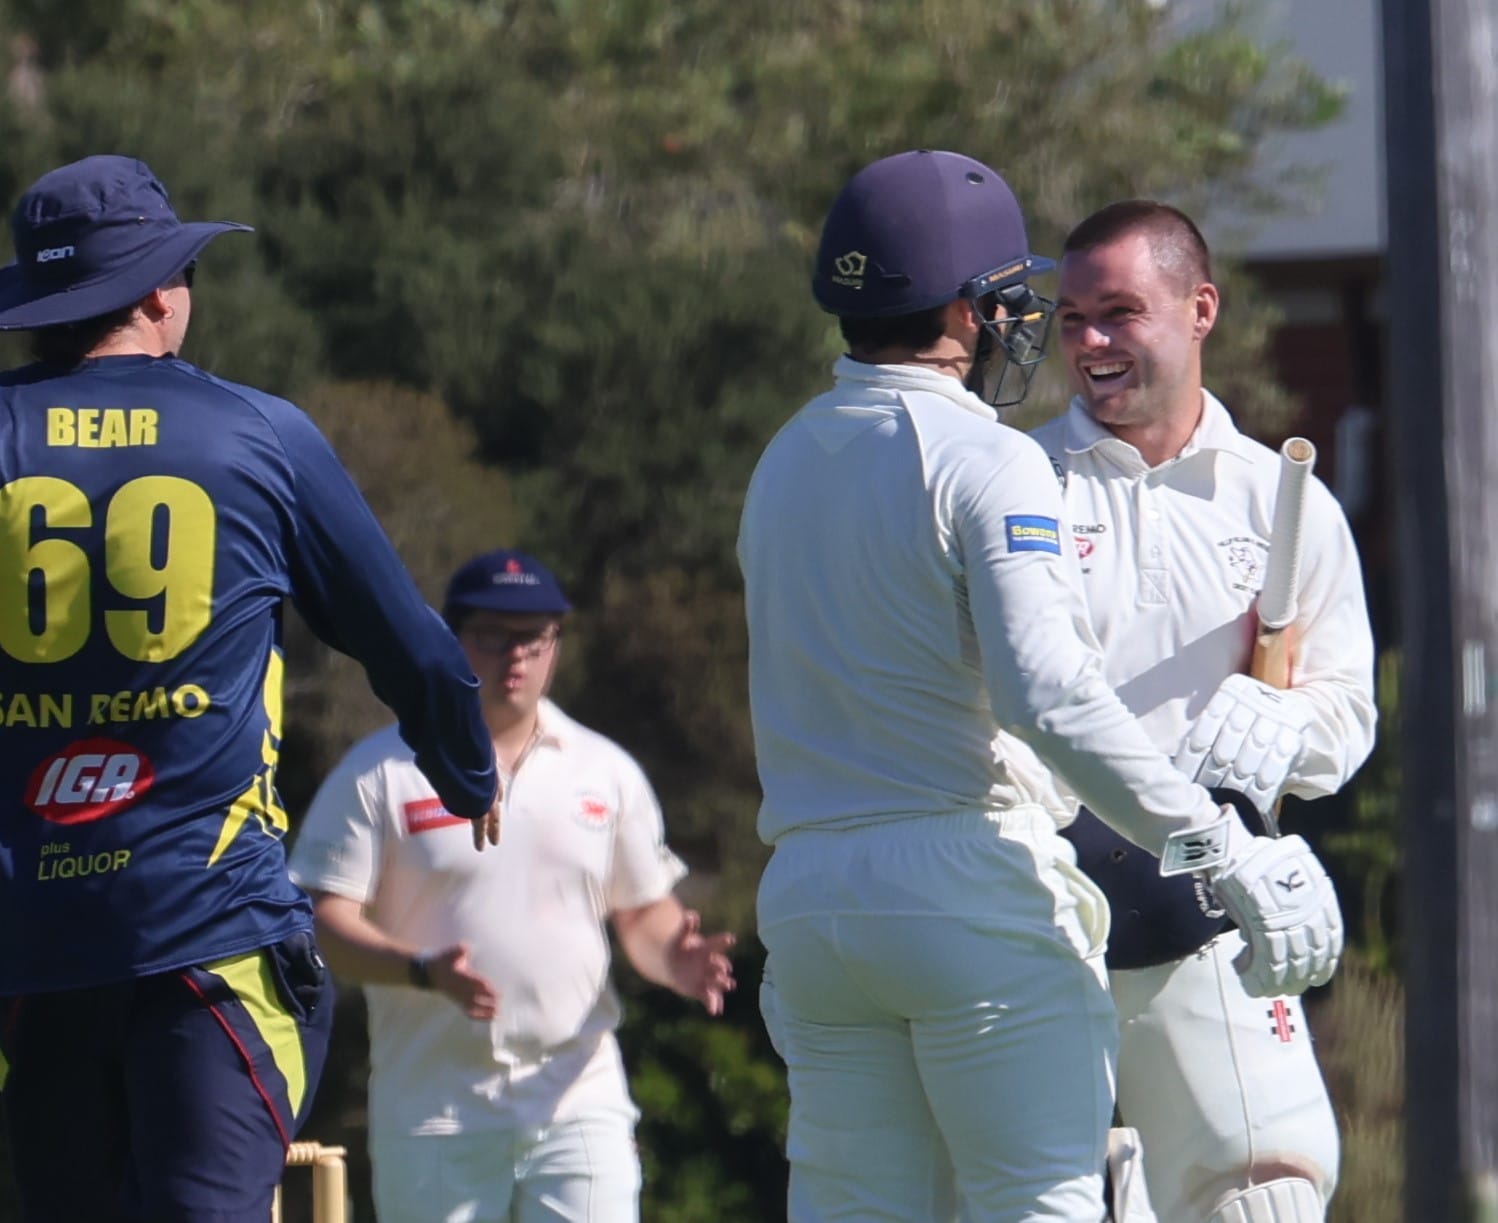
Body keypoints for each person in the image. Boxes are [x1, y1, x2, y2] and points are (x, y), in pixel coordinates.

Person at [737, 148, 1344, 1223]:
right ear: (972, 309)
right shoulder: (994, 457)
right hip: (967, 886)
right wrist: (1221, 847)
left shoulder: (784, 456)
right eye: (1022, 305)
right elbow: (1048, 700)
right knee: (1042, 1202)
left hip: (813, 897)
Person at [0, 154, 501, 1223]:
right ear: (155, 294)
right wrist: (465, 763)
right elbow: (410, 643)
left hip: (32, 951)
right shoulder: (257, 433)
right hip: (211, 938)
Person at [1034, 200, 1376, 1223]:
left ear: (1200, 308)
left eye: (1119, 313)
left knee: (1264, 1192)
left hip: (1208, 894)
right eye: (1071, 318)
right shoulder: (1013, 483)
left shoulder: (1282, 501)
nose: (1089, 343)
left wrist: (1293, 727)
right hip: (1037, 895)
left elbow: (1347, 710)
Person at [288, 548, 737, 1223]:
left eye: (534, 637)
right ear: (451, 638)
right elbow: (320, 920)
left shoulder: (603, 769)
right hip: (437, 1107)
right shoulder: (381, 770)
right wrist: (420, 970)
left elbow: (643, 915)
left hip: (578, 1098)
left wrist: (678, 957)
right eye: (495, 635)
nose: (516, 655)